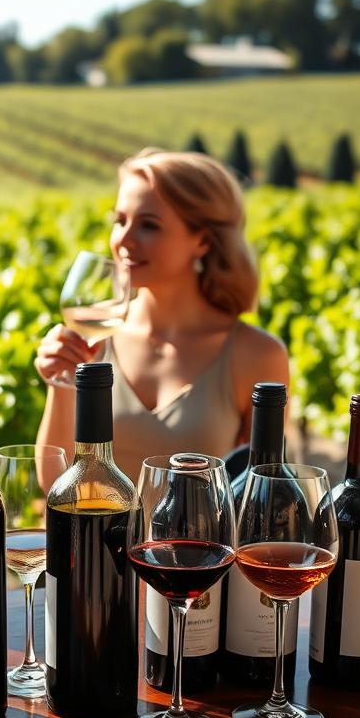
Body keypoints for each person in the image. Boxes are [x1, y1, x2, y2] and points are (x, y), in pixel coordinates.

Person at [35, 148, 289, 480]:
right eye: (120, 220)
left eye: (149, 225)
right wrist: (61, 385)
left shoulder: (256, 355)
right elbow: (53, 480)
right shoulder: (94, 335)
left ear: (202, 241)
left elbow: (262, 492)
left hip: (197, 535)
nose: (124, 239)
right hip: (97, 533)